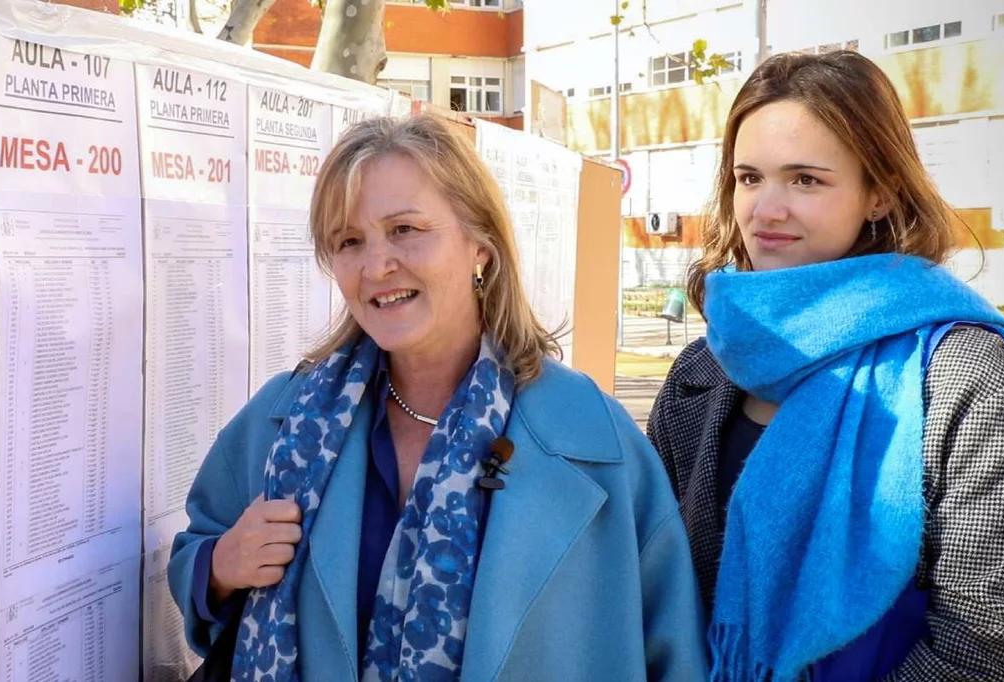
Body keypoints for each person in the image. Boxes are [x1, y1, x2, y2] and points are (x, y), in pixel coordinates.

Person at [169, 113, 708, 682]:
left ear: (480, 243)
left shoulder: (595, 440)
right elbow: (196, 560)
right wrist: (220, 567)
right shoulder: (283, 423)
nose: (377, 265)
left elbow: (674, 649)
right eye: (349, 241)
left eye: (405, 230)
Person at [647, 50, 1004, 682]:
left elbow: (983, 640)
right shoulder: (700, 373)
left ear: (879, 193)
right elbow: (652, 587)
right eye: (749, 177)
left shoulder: (963, 373)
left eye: (806, 180)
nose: (766, 209)